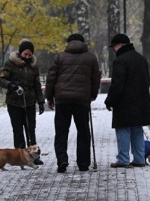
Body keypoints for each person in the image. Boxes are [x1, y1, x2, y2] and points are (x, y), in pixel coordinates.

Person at [44, 33, 101, 173]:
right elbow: (95, 78)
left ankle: (62, 160)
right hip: (82, 100)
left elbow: (51, 78)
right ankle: (83, 163)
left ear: (68, 43)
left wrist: (49, 97)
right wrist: (92, 95)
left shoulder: (59, 57)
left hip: (62, 99)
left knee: (61, 131)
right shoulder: (91, 57)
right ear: (83, 42)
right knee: (83, 131)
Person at [105, 33, 150, 168]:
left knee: (123, 130)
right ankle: (139, 159)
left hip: (124, 102)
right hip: (140, 101)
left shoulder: (120, 61)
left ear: (119, 45)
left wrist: (109, 101)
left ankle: (123, 159)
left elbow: (117, 84)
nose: (114, 49)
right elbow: (147, 81)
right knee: (137, 129)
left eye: (114, 46)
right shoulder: (141, 59)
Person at [0, 39, 45, 165]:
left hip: (29, 101)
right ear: (20, 53)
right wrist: (11, 85)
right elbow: (1, 80)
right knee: (18, 130)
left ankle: (34, 156)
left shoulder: (33, 67)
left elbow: (37, 84)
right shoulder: (10, 64)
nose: (28, 57)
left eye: (30, 55)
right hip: (14, 102)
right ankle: (20, 157)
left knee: (31, 129)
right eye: (25, 54)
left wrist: (41, 101)